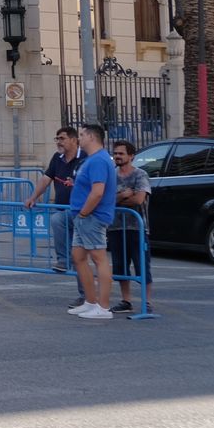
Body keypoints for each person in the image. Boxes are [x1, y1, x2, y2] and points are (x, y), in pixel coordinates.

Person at [25, 126, 84, 305]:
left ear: (74, 140)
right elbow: (46, 178)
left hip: (83, 212)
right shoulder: (57, 158)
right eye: (56, 138)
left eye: (62, 138)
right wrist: (33, 197)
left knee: (82, 257)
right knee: (77, 256)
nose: (58, 142)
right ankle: (83, 292)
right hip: (64, 210)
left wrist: (77, 183)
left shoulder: (86, 158)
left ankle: (90, 295)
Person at [68, 124, 118, 321]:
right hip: (85, 217)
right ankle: (90, 302)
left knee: (99, 258)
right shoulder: (93, 160)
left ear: (90, 136)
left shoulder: (98, 160)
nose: (78, 138)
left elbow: (98, 191)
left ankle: (103, 307)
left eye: (81, 135)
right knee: (78, 257)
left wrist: (84, 213)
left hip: (92, 217)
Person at [110, 138, 152, 314]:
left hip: (137, 227)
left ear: (131, 156)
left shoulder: (140, 175)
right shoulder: (111, 174)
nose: (117, 156)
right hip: (115, 227)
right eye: (116, 153)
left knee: (142, 265)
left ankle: (147, 301)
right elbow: (105, 200)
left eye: (121, 153)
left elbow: (139, 199)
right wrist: (122, 196)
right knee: (120, 265)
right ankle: (126, 300)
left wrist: (118, 198)